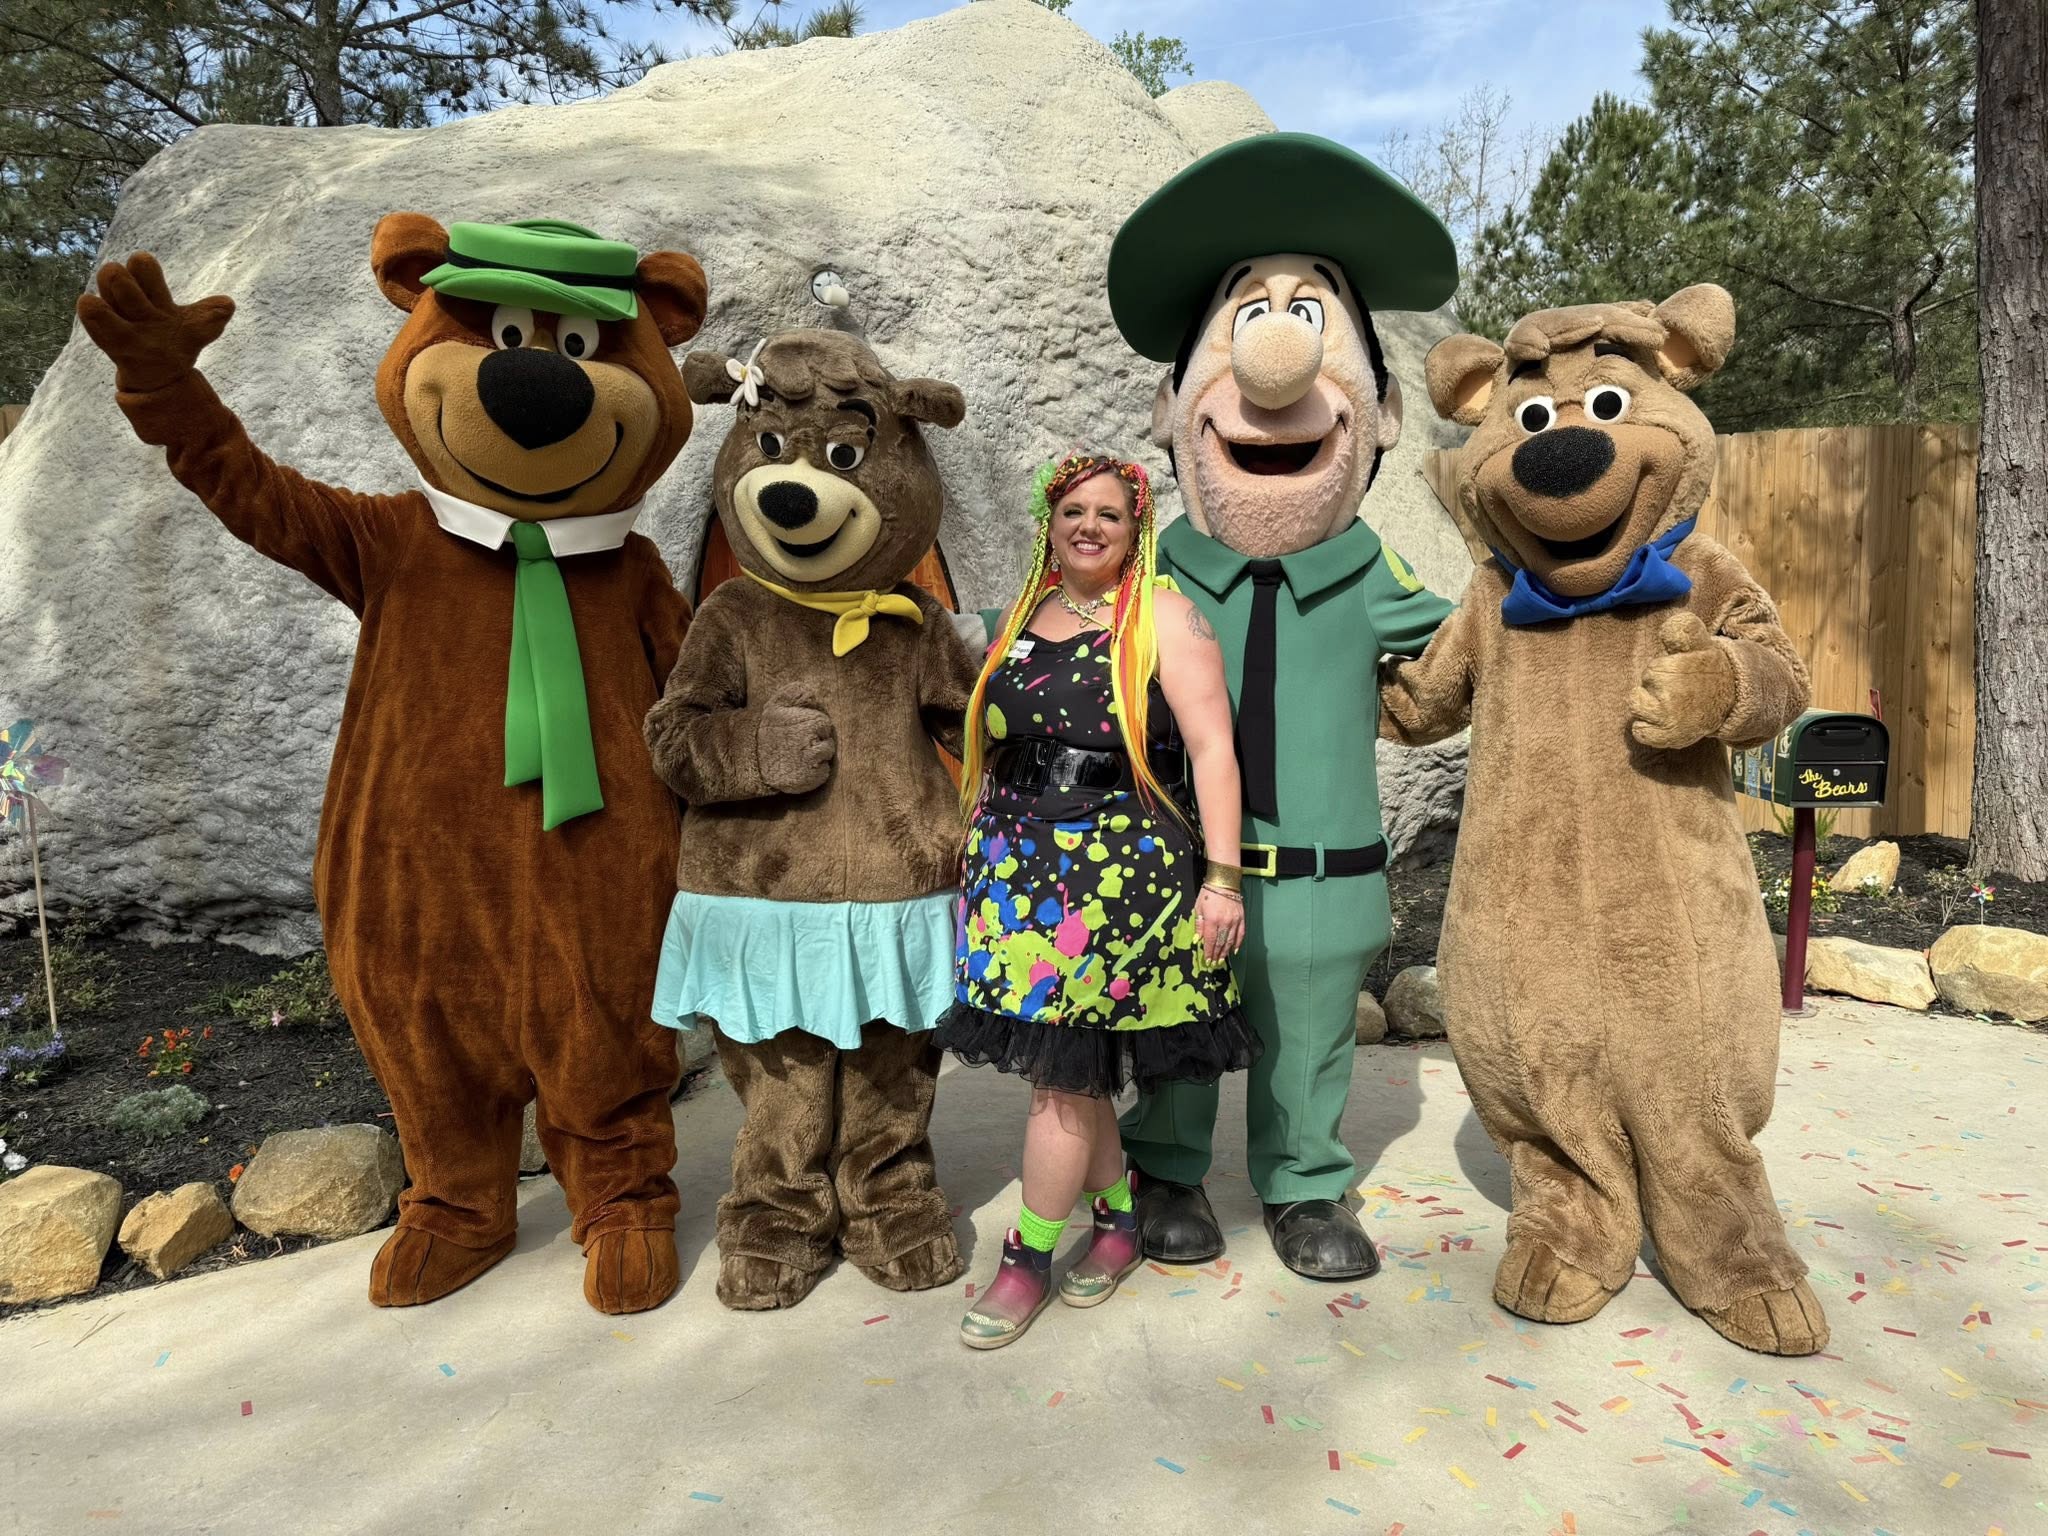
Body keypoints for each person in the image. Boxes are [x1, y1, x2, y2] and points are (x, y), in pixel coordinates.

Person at [1105, 132, 1460, 1281]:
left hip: (1321, 872)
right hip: (1178, 866)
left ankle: (1303, 1186)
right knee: (1173, 1026)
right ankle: (1165, 1169)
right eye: (1243, 321)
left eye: (1310, 318)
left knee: (1307, 1041)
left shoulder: (1367, 572)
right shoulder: (1155, 571)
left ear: (1382, 411)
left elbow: (1466, 647)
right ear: (1169, 407)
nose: (1273, 363)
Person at [933, 450, 1258, 1348]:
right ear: (1051, 521)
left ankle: (1026, 1259)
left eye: (1109, 514)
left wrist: (1223, 880)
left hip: (1116, 877)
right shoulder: (1023, 616)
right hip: (1016, 870)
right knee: (1069, 1071)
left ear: (1134, 528)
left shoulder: (1166, 616)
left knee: (1060, 1083)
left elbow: (1212, 752)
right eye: (1074, 510)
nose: (1090, 527)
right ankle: (1116, 1224)